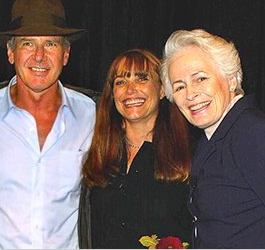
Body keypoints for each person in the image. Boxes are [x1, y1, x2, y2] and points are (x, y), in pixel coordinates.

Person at [0, 0, 98, 248]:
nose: (39, 56)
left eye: (51, 44)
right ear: (11, 52)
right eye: (28, 43)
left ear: (66, 55)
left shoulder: (94, 114)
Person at [160, 29, 265, 248]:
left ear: (231, 79)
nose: (190, 94)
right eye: (179, 86)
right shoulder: (212, 138)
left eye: (200, 78)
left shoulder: (254, 133)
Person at [79, 49, 193, 248]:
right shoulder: (99, 153)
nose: (130, 90)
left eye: (142, 79)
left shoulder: (189, 154)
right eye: (121, 82)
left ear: (162, 90)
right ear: (112, 94)